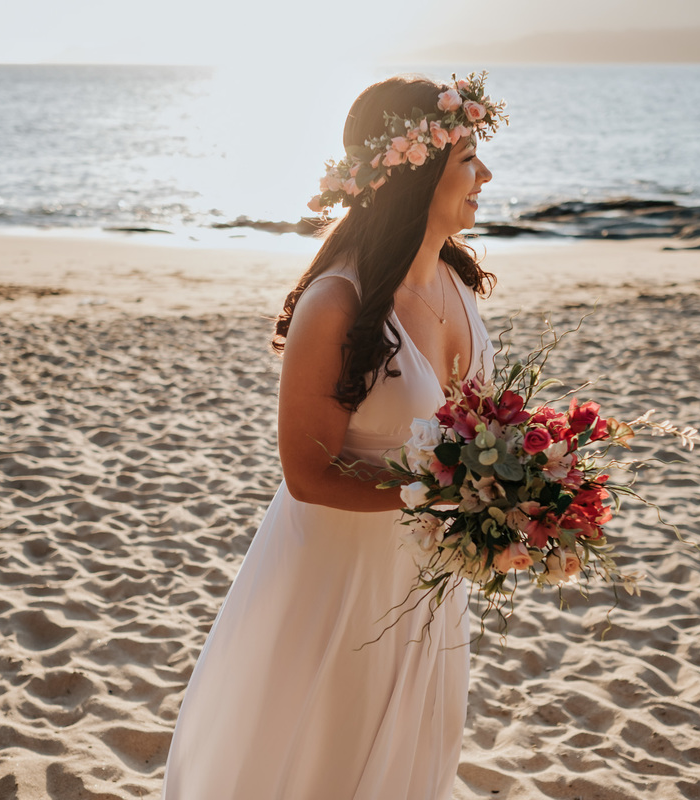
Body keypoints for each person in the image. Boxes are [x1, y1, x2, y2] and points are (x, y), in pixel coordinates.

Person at [161, 73, 504, 799]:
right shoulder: (337, 303)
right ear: (416, 172)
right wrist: (451, 494)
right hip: (343, 575)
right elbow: (308, 473)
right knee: (329, 758)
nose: (486, 175)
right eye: (468, 158)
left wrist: (517, 481)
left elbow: (478, 425)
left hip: (428, 576)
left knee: (415, 754)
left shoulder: (457, 281)